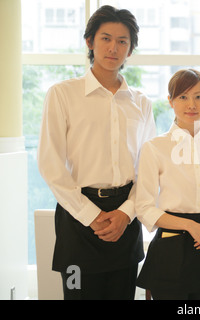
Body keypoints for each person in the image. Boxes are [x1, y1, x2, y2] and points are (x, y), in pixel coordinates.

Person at [37, 5, 156, 300]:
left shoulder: (141, 103)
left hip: (125, 218)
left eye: (122, 41)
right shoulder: (62, 94)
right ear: (90, 42)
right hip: (78, 217)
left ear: (130, 50)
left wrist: (126, 214)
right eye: (105, 38)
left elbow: (150, 169)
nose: (113, 47)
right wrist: (91, 216)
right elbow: (50, 164)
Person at [135, 69, 200, 300]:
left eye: (199, 96)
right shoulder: (155, 147)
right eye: (183, 97)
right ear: (170, 101)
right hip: (171, 247)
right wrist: (191, 226)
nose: (192, 104)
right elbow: (144, 208)